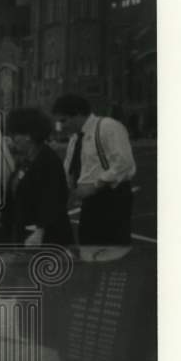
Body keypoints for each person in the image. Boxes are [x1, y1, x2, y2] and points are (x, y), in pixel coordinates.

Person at [52, 93, 136, 247]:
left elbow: (124, 162)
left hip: (112, 198)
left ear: (77, 113)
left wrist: (96, 184)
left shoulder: (107, 126)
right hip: (89, 201)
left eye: (64, 120)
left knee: (112, 247)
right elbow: (69, 167)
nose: (62, 126)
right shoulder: (75, 138)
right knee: (88, 243)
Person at [0, 107, 73, 246]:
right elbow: (15, 197)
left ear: (29, 136)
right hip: (25, 234)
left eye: (15, 134)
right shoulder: (26, 161)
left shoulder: (48, 161)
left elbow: (53, 200)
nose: (12, 139)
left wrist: (40, 231)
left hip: (46, 239)